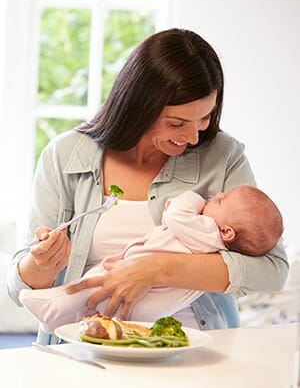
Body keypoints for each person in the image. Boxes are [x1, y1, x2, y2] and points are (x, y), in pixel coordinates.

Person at [6, 28, 288, 345]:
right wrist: (43, 264)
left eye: (205, 118)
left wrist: (155, 269)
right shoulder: (65, 155)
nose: (194, 137)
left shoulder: (223, 156)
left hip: (193, 349)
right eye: (177, 123)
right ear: (138, 105)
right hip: (84, 347)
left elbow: (272, 270)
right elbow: (18, 289)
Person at [19, 186, 283, 334]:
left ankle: (50, 307)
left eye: (221, 199)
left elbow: (177, 216)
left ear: (227, 231)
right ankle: (58, 321)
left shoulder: (207, 230)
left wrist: (191, 197)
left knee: (90, 286)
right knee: (95, 307)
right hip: (158, 306)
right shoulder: (217, 243)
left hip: (144, 284)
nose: (215, 195)